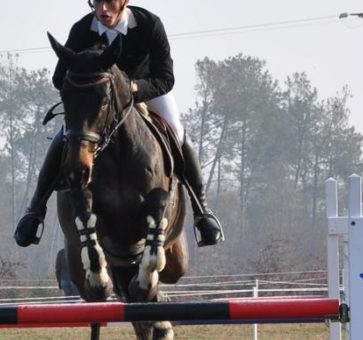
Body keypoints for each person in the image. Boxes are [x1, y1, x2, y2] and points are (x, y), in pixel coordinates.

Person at [14, 0, 223, 248]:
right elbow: (60, 78)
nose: (102, 9)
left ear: (124, 1)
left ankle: (202, 211)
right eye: (97, 2)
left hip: (145, 91)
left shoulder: (149, 25)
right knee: (66, 134)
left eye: (110, 2)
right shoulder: (82, 29)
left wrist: (134, 88)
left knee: (176, 131)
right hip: (100, 99)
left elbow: (165, 78)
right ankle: (35, 210)